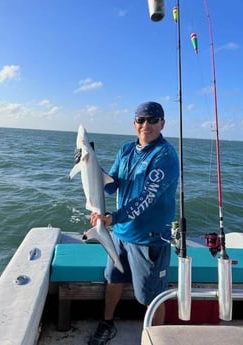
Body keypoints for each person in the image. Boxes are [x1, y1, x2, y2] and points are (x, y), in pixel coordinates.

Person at [88, 101, 179, 345]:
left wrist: (113, 217)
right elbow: (112, 185)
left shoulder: (165, 156)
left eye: (152, 119)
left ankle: (156, 338)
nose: (146, 125)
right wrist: (90, 164)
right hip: (120, 235)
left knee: (153, 296)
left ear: (162, 123)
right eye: (141, 120)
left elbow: (146, 199)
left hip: (150, 238)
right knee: (113, 279)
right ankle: (107, 323)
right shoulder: (126, 149)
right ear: (134, 123)